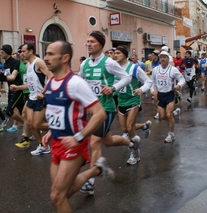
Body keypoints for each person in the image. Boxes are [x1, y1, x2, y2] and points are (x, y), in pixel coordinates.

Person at [41, 40, 114, 213]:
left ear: (65, 57)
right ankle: (96, 170)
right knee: (63, 192)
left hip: (74, 144)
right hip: (57, 143)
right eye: (46, 53)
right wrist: (52, 131)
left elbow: (100, 114)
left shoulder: (75, 83)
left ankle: (95, 170)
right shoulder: (50, 82)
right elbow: (57, 111)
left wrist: (78, 137)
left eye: (51, 54)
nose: (45, 58)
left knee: (57, 196)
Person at [78, 31, 134, 195]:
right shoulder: (84, 64)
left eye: (92, 42)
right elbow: (80, 82)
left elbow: (127, 77)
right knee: (108, 141)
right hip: (91, 110)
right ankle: (132, 144)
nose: (89, 44)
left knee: (94, 143)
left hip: (105, 109)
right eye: (87, 41)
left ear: (100, 45)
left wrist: (113, 88)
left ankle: (91, 182)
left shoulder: (108, 63)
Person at [114, 45, 152, 165]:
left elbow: (148, 81)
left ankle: (135, 153)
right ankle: (143, 126)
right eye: (114, 53)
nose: (115, 55)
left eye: (118, 53)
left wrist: (141, 89)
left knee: (130, 128)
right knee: (124, 128)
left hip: (133, 100)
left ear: (125, 55)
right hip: (121, 101)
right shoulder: (112, 68)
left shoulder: (134, 68)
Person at [15, 43, 52, 154]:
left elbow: (50, 77)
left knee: (37, 124)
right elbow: (29, 84)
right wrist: (17, 88)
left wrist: (44, 93)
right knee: (30, 123)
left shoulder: (38, 62)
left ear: (30, 51)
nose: (21, 53)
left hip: (41, 98)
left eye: (23, 51)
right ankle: (43, 145)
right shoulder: (28, 65)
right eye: (21, 51)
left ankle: (60, 127)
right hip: (32, 98)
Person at [151, 51, 185, 143]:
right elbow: (152, 82)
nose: (162, 59)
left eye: (164, 57)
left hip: (170, 94)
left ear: (168, 58)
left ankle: (171, 134)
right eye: (161, 57)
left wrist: (179, 85)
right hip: (160, 95)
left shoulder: (173, 69)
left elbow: (182, 79)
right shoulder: (155, 70)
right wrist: (153, 91)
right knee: (162, 117)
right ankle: (175, 113)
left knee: (168, 115)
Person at [0, 44, 24, 133]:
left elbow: (12, 77)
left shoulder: (15, 62)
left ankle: (26, 124)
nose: (0, 54)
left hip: (17, 89)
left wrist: (2, 77)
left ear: (7, 52)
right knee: (22, 111)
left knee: (9, 111)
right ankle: (29, 127)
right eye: (0, 52)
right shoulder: (5, 64)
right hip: (11, 90)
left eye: (2, 52)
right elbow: (5, 76)